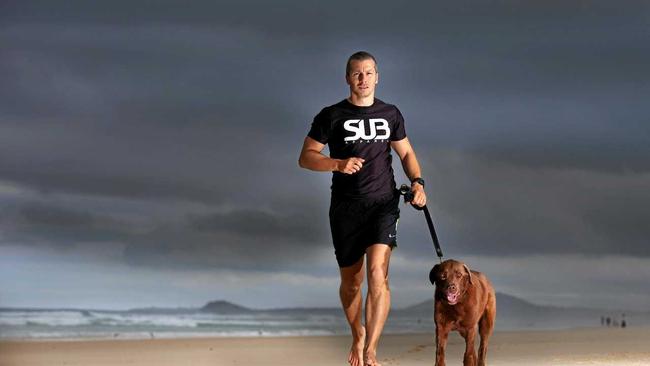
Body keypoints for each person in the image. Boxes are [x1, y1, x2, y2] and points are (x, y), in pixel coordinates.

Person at [298, 51, 426, 366]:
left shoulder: (390, 113)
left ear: (377, 77)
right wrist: (337, 163)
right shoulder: (331, 115)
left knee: (378, 274)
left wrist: (419, 182)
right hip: (345, 208)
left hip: (384, 203)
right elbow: (306, 156)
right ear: (348, 78)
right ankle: (358, 332)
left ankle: (370, 350)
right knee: (352, 282)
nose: (363, 79)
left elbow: (406, 152)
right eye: (357, 73)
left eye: (369, 73)